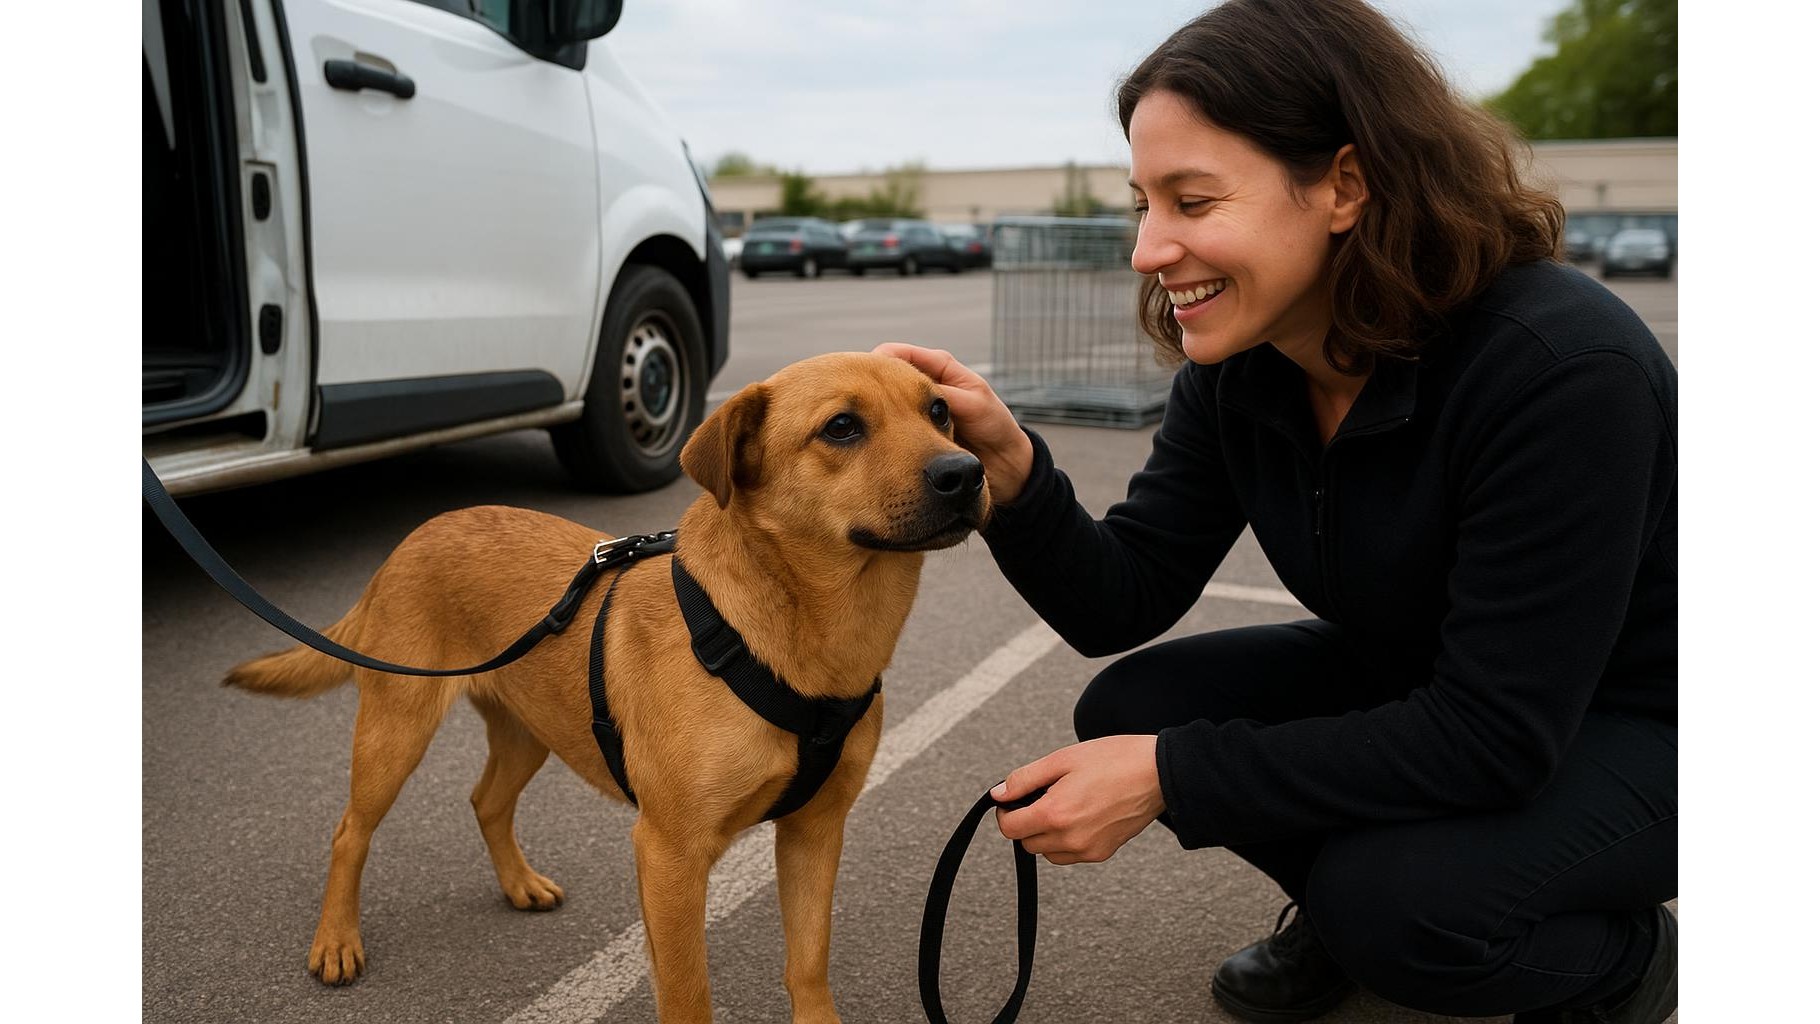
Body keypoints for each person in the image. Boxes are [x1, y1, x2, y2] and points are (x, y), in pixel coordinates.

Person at [876, 1, 1676, 1021]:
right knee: (1133, 706)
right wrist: (1011, 466)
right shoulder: (1248, 365)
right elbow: (1119, 599)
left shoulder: (1560, 369)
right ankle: (1348, 916)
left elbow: (1493, 735)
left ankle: (1619, 960)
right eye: (1141, 205)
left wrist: (1174, 776)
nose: (1148, 250)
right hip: (1446, 679)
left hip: (1651, 720)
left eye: (1193, 201)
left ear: (1342, 184)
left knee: (1402, 906)